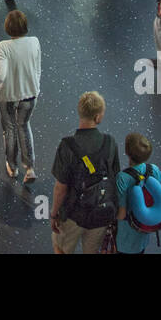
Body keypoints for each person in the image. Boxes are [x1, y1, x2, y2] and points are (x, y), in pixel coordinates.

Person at [51, 91, 120, 254]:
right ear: (97, 117)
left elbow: (60, 188)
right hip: (101, 214)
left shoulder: (67, 145)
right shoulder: (110, 142)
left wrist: (54, 214)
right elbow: (114, 177)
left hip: (73, 214)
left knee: (60, 247)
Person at [0, 9, 41, 182]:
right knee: (24, 126)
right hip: (30, 95)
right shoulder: (34, 42)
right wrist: (36, 88)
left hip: (8, 96)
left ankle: (12, 167)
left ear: (7, 28)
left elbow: (0, 76)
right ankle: (30, 168)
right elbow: (37, 69)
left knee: (10, 129)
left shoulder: (3, 47)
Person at [115, 132, 161, 254]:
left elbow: (121, 215)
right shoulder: (153, 169)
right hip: (144, 231)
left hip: (125, 238)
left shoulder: (122, 178)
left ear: (127, 153)